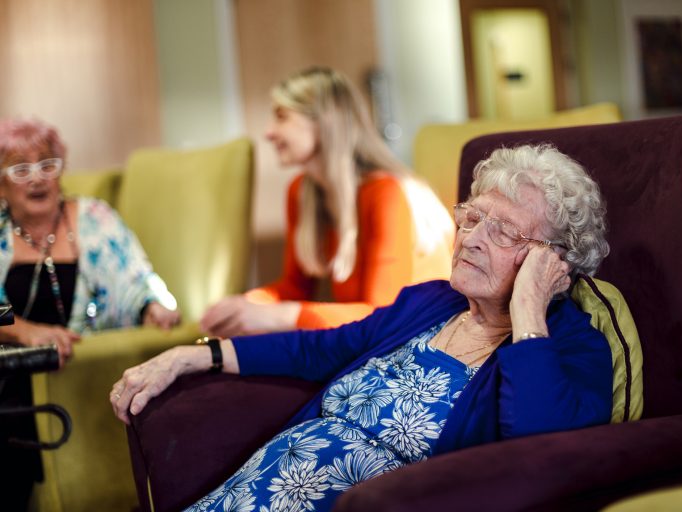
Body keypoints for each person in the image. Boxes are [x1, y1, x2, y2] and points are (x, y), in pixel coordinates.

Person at [112, 144, 614, 511]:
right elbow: (323, 348)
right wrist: (195, 355)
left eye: (502, 230)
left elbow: (543, 451)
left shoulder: (573, 349)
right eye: (472, 217)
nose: (472, 239)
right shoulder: (432, 301)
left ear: (554, 262)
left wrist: (528, 308)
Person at [0, 117, 180, 510]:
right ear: (1, 183)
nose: (37, 178)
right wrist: (25, 332)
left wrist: (153, 306)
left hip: (88, 374)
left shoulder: (95, 217)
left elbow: (139, 278)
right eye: (20, 168)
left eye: (48, 164)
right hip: (11, 382)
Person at [200, 67, 454, 336]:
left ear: (324, 122)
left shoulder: (386, 193)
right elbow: (295, 287)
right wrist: (244, 305)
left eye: (281, 117)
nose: (268, 133)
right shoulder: (302, 192)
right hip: (368, 338)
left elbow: (383, 315)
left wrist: (279, 316)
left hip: (420, 339)